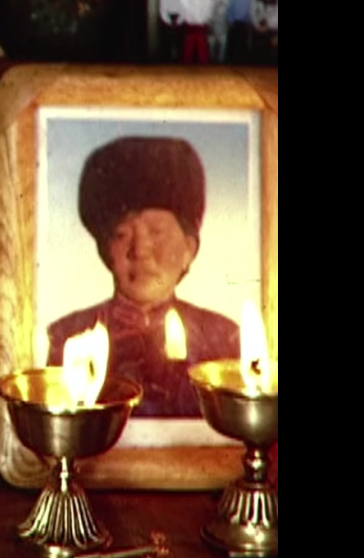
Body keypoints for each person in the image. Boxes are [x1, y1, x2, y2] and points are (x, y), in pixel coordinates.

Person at [46, 137, 240, 418]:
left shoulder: (225, 341)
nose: (140, 250)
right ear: (104, 251)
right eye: (122, 234)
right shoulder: (64, 338)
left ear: (189, 248)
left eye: (156, 231)